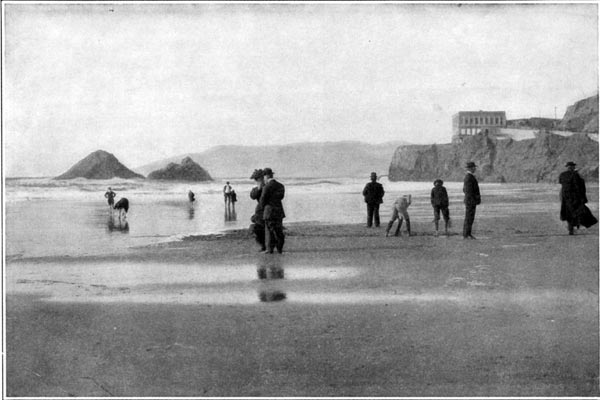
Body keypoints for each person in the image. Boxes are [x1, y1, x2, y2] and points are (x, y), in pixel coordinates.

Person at [259, 168, 286, 254]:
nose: (264, 179)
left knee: (269, 231)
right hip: (279, 210)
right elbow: (281, 197)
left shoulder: (266, 187)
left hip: (269, 211)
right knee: (278, 230)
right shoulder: (281, 186)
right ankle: (279, 248)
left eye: (264, 177)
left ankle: (269, 249)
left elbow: (262, 200)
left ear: (266, 176)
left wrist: (262, 209)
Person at [559, 161, 588, 235]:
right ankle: (574, 226)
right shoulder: (576, 175)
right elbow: (580, 186)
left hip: (566, 197)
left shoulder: (562, 174)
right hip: (575, 197)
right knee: (576, 211)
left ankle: (571, 228)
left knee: (569, 212)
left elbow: (561, 184)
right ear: (573, 167)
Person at [463, 161, 481, 240]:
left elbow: (464, 190)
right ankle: (467, 234)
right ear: (471, 168)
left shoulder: (468, 177)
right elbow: (468, 190)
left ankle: (467, 234)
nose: (475, 169)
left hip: (469, 200)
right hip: (470, 201)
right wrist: (474, 199)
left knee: (469, 217)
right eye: (474, 167)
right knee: (469, 218)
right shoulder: (469, 177)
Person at [250, 169, 266, 251]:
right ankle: (263, 245)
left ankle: (268, 246)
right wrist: (259, 188)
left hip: (267, 210)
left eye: (258, 179)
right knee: (258, 229)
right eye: (256, 179)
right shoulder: (256, 189)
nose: (257, 181)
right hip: (260, 211)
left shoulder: (269, 186)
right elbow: (252, 196)